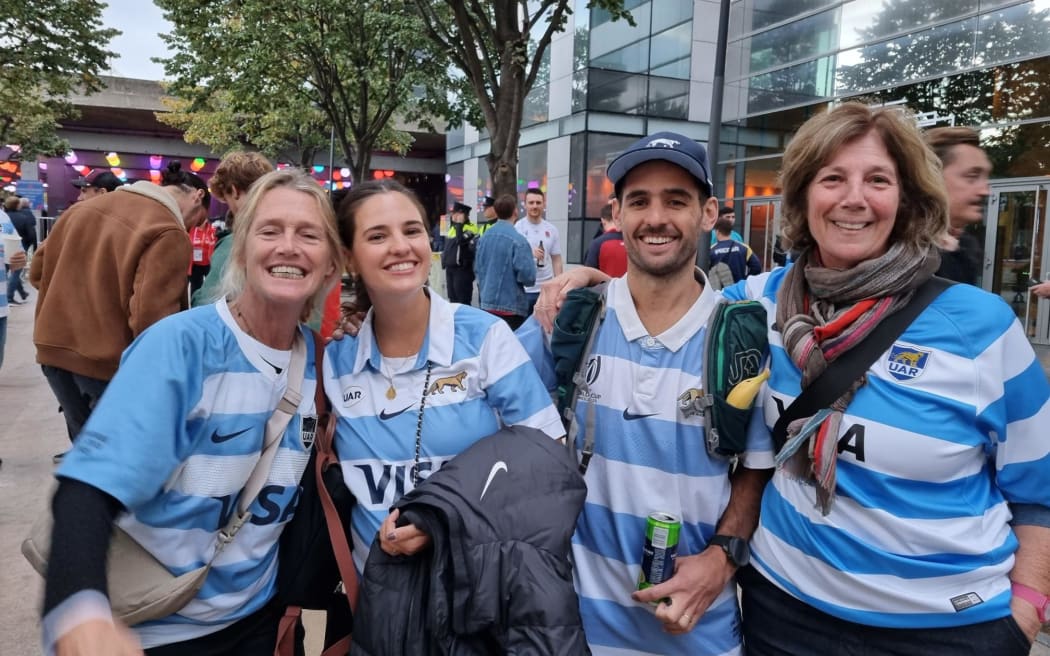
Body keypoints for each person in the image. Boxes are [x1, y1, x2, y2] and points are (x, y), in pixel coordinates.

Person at [719, 103, 1050, 655]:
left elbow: (1039, 491)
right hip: (784, 613)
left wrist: (1028, 611)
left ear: (907, 200)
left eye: (877, 179)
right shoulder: (755, 306)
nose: (854, 198)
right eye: (833, 178)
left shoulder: (982, 328)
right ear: (803, 196)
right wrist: (593, 285)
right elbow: (672, 305)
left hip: (946, 631)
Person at [40, 168, 343, 656]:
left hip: (256, 621)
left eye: (309, 235)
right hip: (152, 628)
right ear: (240, 251)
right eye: (270, 231)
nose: (289, 246)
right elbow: (89, 488)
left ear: (331, 265)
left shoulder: (325, 364)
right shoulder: (182, 347)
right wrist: (79, 609)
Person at [516, 131, 773, 655]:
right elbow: (473, 389)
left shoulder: (745, 338)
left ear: (707, 213)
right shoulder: (567, 320)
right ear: (615, 214)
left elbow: (756, 470)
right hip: (572, 631)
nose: (656, 218)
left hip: (697, 635)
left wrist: (722, 558)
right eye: (639, 201)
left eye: (676, 200)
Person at [323, 179, 563, 578]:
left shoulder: (484, 337)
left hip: (477, 600)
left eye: (412, 230)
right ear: (349, 257)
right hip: (374, 607)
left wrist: (447, 521)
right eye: (378, 236)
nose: (400, 246)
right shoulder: (334, 360)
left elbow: (548, 456)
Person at [30, 162, 207, 462]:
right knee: (123, 463)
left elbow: (37, 272)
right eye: (197, 221)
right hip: (108, 367)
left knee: (87, 455)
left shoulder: (80, 210)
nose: (192, 228)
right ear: (197, 198)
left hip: (53, 353)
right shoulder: (167, 231)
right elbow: (151, 319)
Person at [193, 151, 274, 306]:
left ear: (234, 191)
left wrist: (196, 295)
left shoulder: (234, 243)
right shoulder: (288, 233)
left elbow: (207, 301)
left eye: (226, 197)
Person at [924, 126, 992, 285]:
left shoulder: (962, 248)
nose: (985, 191)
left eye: (986, 177)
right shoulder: (889, 250)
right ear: (932, 177)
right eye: (972, 176)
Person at [473, 193, 536, 330]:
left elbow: (477, 268)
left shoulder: (484, 238)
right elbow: (528, 277)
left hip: (486, 303)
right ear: (515, 211)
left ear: (496, 211)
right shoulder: (519, 241)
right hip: (511, 307)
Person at [515, 187, 563, 313]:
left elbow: (556, 259)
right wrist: (528, 253)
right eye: (531, 203)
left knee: (544, 329)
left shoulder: (551, 229)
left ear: (543, 204)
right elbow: (511, 258)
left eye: (538, 202)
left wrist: (559, 285)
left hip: (545, 289)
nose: (535, 206)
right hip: (523, 289)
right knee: (522, 329)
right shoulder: (518, 228)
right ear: (525, 205)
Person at [708, 207, 761, 284]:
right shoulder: (711, 235)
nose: (731, 219)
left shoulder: (737, 236)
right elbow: (756, 266)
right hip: (721, 282)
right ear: (719, 218)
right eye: (728, 217)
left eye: (733, 217)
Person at [440, 201, 478, 305]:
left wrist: (460, 225)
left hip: (462, 270)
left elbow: (461, 241)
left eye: (455, 213)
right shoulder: (452, 228)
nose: (452, 215)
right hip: (450, 269)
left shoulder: (471, 227)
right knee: (452, 301)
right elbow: (447, 246)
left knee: (463, 301)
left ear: (463, 215)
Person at [583, 202, 627, 277]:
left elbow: (588, 275)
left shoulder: (597, 243)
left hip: (605, 287)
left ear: (603, 220)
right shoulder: (633, 242)